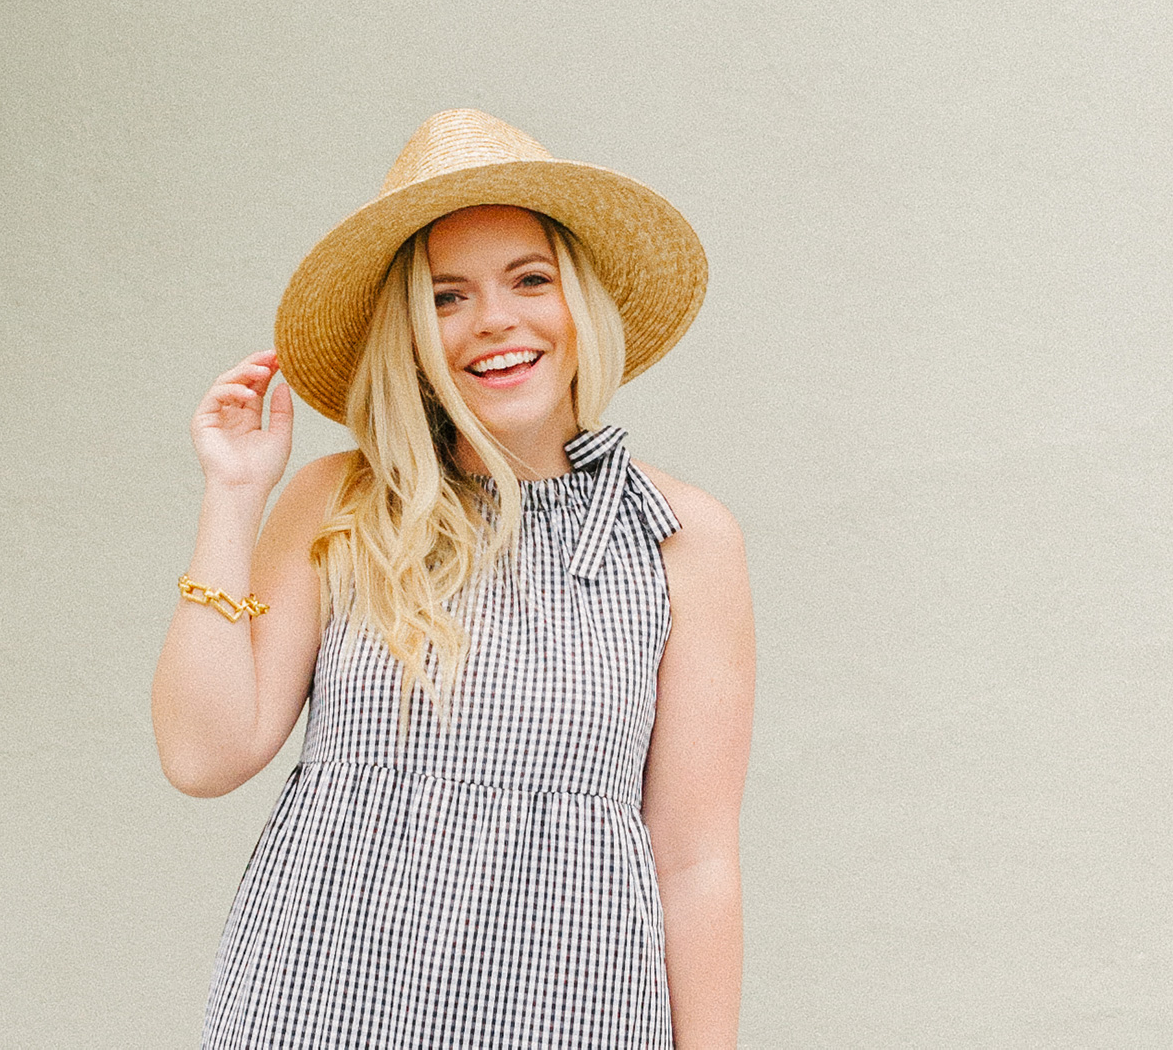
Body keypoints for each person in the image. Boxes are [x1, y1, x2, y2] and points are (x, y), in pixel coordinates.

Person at [152, 109, 756, 1050]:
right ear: (414, 332)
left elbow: (695, 858)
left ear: (577, 301)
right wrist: (233, 499)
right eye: (447, 297)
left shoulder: (681, 540)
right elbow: (203, 755)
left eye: (530, 279)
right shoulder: (338, 501)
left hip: (569, 1017)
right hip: (316, 1012)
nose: (496, 322)